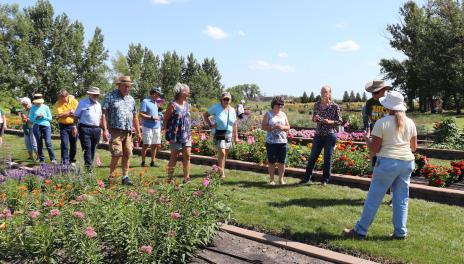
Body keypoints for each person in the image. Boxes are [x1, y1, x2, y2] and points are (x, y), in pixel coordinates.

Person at [343, 91, 417, 240]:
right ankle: (400, 233)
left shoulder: (382, 123)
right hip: (407, 162)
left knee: (374, 198)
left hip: (387, 163)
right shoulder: (410, 122)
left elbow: (374, 149)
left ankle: (360, 230)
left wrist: (367, 139)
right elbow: (414, 147)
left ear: (388, 106)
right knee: (401, 199)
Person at [102, 76, 142, 185]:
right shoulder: (110, 96)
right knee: (117, 153)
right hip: (115, 130)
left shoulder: (131, 99)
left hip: (128, 132)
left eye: (129, 87)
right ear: (119, 85)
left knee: (127, 153)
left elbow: (135, 117)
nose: (127, 89)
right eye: (125, 86)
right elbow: (104, 114)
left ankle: (125, 177)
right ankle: (111, 177)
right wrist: (105, 130)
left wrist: (138, 132)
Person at [299, 86, 341, 186]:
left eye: (325, 92)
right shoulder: (317, 105)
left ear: (330, 93)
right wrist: (315, 118)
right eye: (322, 92)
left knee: (327, 158)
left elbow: (339, 121)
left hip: (330, 135)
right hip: (318, 134)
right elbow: (313, 118)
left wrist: (329, 121)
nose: (323, 93)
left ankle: (325, 180)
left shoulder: (335, 106)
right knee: (312, 157)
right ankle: (306, 178)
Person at [203, 92, 239, 179]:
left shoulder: (233, 110)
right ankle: (222, 172)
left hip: (228, 133)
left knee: (225, 153)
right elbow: (205, 115)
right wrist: (211, 124)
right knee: (222, 152)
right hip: (219, 132)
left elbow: (234, 124)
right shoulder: (216, 107)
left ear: (230, 100)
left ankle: (221, 168)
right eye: (224, 99)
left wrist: (236, 136)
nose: (226, 101)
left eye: (228, 99)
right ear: (221, 100)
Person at [163, 83, 192, 183]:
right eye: (187, 90)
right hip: (175, 135)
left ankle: (186, 178)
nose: (189, 92)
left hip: (186, 134)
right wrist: (166, 131)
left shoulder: (187, 104)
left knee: (187, 155)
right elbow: (165, 118)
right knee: (174, 157)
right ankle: (169, 178)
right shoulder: (172, 105)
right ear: (182, 92)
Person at [261, 96, 290, 185]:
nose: (280, 106)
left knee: (282, 162)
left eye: (282, 104)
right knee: (272, 162)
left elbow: (288, 126)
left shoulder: (283, 114)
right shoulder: (268, 114)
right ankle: (272, 180)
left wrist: (282, 127)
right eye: (279, 104)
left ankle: (281, 179)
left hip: (282, 142)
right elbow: (263, 127)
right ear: (274, 104)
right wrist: (273, 127)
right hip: (271, 142)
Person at [72, 87, 103, 169]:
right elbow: (76, 116)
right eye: (94, 94)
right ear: (90, 94)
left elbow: (100, 118)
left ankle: (89, 164)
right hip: (85, 128)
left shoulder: (99, 105)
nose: (96, 96)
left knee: (93, 148)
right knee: (87, 148)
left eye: (97, 94)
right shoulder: (82, 103)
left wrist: (102, 129)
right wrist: (74, 127)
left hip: (96, 129)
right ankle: (89, 167)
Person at [29, 94, 56, 164]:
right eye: (37, 102)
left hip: (46, 126)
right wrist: (36, 118)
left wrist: (44, 117)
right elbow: (31, 119)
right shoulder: (32, 108)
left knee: (48, 142)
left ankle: (53, 159)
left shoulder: (46, 107)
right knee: (39, 143)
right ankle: (42, 159)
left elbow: (50, 118)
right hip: (36, 126)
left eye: (39, 102)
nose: (38, 103)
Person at [139, 87, 163, 167]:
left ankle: (152, 162)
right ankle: (143, 162)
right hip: (147, 126)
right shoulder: (145, 101)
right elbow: (141, 114)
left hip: (156, 126)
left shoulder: (156, 102)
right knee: (146, 144)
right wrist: (152, 117)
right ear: (154, 94)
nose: (159, 96)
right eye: (158, 94)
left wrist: (160, 115)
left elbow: (159, 110)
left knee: (155, 144)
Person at [55, 89, 78, 165]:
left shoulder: (74, 101)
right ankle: (64, 161)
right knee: (64, 144)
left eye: (62, 97)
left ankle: (71, 160)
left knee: (73, 144)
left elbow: (77, 114)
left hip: (73, 125)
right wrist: (70, 112)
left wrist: (66, 113)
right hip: (63, 126)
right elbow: (60, 115)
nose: (61, 99)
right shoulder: (58, 103)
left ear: (67, 96)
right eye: (60, 97)